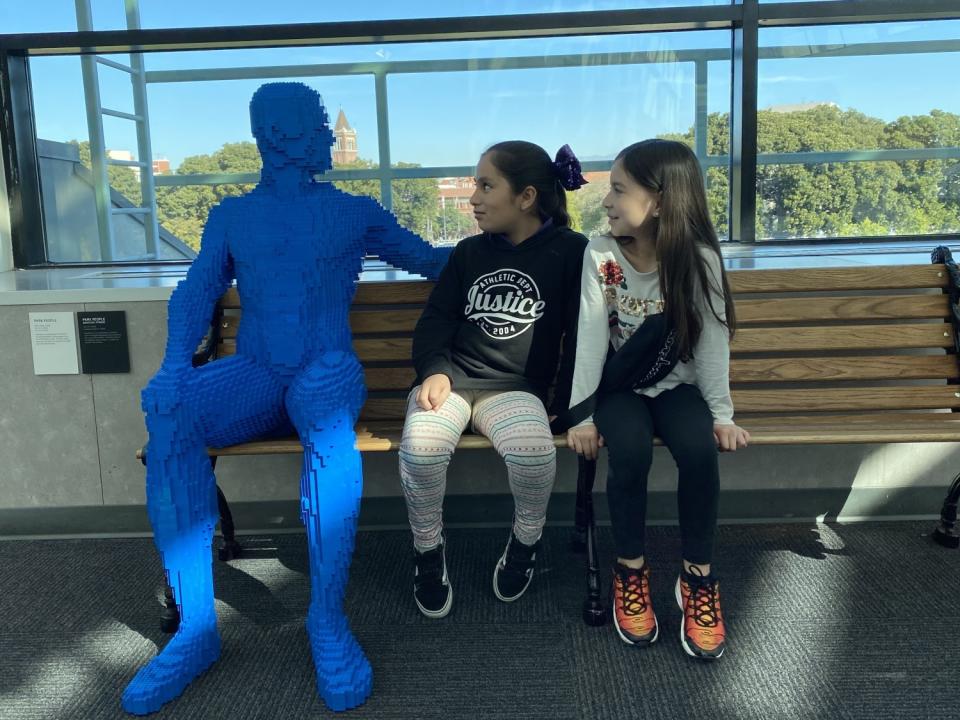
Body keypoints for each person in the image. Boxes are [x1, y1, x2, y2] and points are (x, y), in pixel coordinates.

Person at [122, 82, 451, 715]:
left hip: (327, 369)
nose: (290, 137)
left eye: (302, 124)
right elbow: (194, 294)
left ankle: (326, 621)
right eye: (277, 126)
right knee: (170, 413)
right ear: (265, 135)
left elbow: (430, 259)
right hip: (256, 372)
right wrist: (169, 370)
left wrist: (524, 236)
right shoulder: (233, 215)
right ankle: (195, 630)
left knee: (326, 414)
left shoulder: (354, 212)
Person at [566, 139, 749, 661]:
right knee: (630, 451)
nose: (607, 201)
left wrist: (721, 416)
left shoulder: (699, 260)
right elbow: (590, 336)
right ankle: (630, 570)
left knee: (697, 451)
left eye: (619, 190)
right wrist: (581, 415)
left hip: (678, 386)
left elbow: (712, 342)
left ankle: (697, 578)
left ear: (662, 201)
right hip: (619, 389)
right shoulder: (600, 254)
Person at [399, 141, 589, 618]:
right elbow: (436, 320)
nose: (474, 198)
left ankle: (525, 543)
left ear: (526, 197)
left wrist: (564, 403)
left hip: (514, 390)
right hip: (454, 380)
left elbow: (582, 336)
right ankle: (427, 551)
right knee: (421, 450)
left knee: (535, 457)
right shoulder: (467, 253)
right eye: (474, 185)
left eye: (486, 186)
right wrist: (435, 370)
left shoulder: (571, 252)